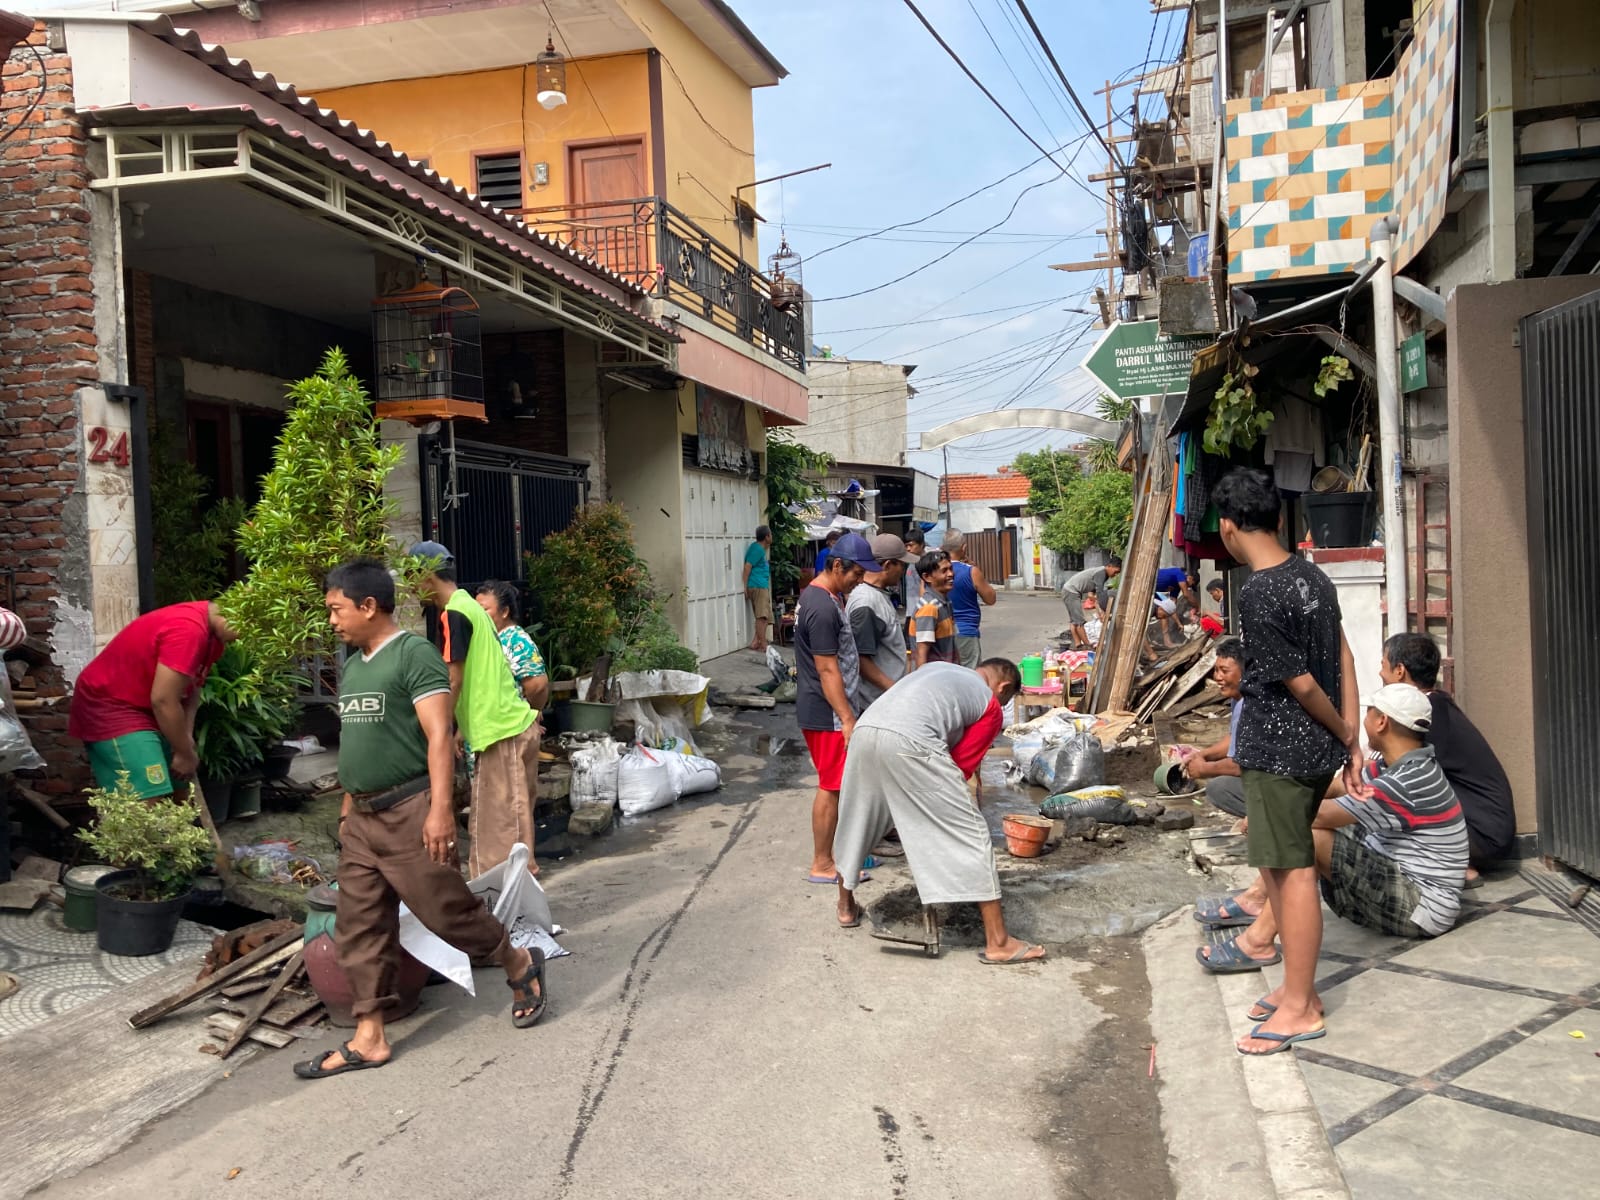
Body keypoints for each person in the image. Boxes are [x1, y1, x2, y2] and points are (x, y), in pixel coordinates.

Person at [294, 559, 545, 1079]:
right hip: (362, 817)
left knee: (445, 911)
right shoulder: (356, 664)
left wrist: (438, 810)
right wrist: (346, 808)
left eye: (337, 610)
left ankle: (518, 962)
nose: (332, 621)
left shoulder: (414, 654)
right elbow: (358, 743)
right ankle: (370, 1035)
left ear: (368, 606)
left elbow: (437, 736)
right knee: (359, 924)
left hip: (408, 810)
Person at [1197, 685, 1468, 1030]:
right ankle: (1258, 908)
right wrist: (1284, 791)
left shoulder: (1404, 781)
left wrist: (1270, 812)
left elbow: (1320, 816)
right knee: (1294, 827)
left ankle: (1259, 941)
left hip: (1422, 908)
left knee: (1303, 836)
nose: (1365, 719)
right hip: (1410, 883)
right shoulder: (1399, 765)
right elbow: (1339, 786)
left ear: (1381, 722)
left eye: (1369, 712)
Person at [1211, 467, 1361, 1058]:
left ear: (1227, 528)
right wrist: (1348, 738)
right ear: (1276, 517)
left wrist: (1343, 727)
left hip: (1281, 752)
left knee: (1290, 874)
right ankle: (1298, 994)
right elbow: (1343, 654)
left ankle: (1300, 1005)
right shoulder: (1309, 574)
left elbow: (1301, 684)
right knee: (1282, 871)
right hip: (1315, 752)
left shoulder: (1259, 591)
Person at [832, 659, 1044, 964]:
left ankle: (845, 906)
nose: (1001, 704)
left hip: (866, 729)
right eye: (1005, 699)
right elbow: (958, 767)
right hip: (912, 740)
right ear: (1003, 687)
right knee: (971, 833)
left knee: (858, 819)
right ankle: (999, 942)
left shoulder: (939, 669)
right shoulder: (990, 705)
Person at [410, 542, 540, 879]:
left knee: (496, 846)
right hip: (512, 727)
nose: (410, 587)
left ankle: (499, 922)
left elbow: (453, 680)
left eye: (412, 577)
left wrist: (434, 731)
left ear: (426, 576)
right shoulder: (472, 608)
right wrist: (460, 730)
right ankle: (524, 919)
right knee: (516, 835)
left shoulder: (454, 612)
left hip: (500, 733)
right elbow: (486, 676)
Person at [1379, 632, 1515, 880]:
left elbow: (1398, 776)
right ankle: (1457, 866)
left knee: (1395, 805)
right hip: (1483, 831)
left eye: (1383, 664)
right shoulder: (1435, 707)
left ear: (1399, 671)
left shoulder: (1429, 714)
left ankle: (1456, 869)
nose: (1380, 673)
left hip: (1483, 835)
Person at [67, 601, 238, 798]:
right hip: (112, 704)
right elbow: (163, 700)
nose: (243, 640)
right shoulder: (188, 630)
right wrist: (184, 753)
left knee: (180, 791)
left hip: (148, 705)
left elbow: (192, 687)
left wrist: (186, 737)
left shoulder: (213, 638)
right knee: (149, 797)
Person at [794, 531, 877, 884]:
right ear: (838, 565)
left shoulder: (823, 597)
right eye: (857, 574)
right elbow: (827, 668)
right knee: (831, 786)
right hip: (827, 712)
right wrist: (846, 718)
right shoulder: (823, 607)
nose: (860, 581)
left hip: (826, 709)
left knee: (837, 784)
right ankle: (823, 863)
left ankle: (836, 856)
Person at [846, 533, 920, 707]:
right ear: (887, 565)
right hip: (876, 703)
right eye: (901, 565)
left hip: (885, 698)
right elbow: (861, 661)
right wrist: (895, 690)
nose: (903, 571)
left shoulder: (877, 595)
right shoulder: (866, 602)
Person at [1181, 638, 1246, 818]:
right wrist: (1203, 755)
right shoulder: (1238, 698)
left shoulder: (1250, 705)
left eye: (1224, 671)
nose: (1217, 677)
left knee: (1219, 788)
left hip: (1276, 780)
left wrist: (1205, 769)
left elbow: (1242, 766)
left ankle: (1272, 823)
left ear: (1245, 673)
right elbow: (1234, 739)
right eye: (1216, 670)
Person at [474, 581, 549, 714]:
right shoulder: (491, 637)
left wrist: (529, 714)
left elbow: (538, 685)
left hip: (513, 725)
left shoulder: (516, 640)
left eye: (484, 610)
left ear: (504, 611)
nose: (478, 615)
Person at [943, 529, 998, 669]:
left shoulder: (933, 571)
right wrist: (976, 569)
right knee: (970, 677)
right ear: (964, 547)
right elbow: (990, 599)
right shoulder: (971, 571)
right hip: (966, 631)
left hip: (940, 632)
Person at [908, 550, 959, 668]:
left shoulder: (945, 602)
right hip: (935, 679)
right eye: (944, 571)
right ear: (927, 577)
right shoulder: (929, 608)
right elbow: (921, 654)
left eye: (950, 569)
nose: (951, 574)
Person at [1062, 557, 1121, 649]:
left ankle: (1078, 644)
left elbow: (1091, 595)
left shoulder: (1103, 574)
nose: (1115, 575)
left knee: (1074, 620)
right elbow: (1100, 595)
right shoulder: (1101, 573)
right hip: (1071, 591)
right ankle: (1087, 645)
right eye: (1115, 571)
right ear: (1109, 566)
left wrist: (1100, 612)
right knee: (1079, 621)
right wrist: (1104, 611)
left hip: (1070, 590)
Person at [742, 525, 774, 652]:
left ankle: (756, 641)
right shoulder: (758, 549)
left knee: (765, 616)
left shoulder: (760, 549)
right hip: (757, 585)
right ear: (766, 537)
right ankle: (763, 643)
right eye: (770, 534)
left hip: (762, 585)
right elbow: (747, 567)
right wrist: (744, 586)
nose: (771, 537)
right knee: (762, 616)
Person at [903, 529, 927, 600]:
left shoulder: (927, 564)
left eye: (911, 545)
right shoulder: (911, 562)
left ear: (921, 545)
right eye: (906, 546)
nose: (908, 549)